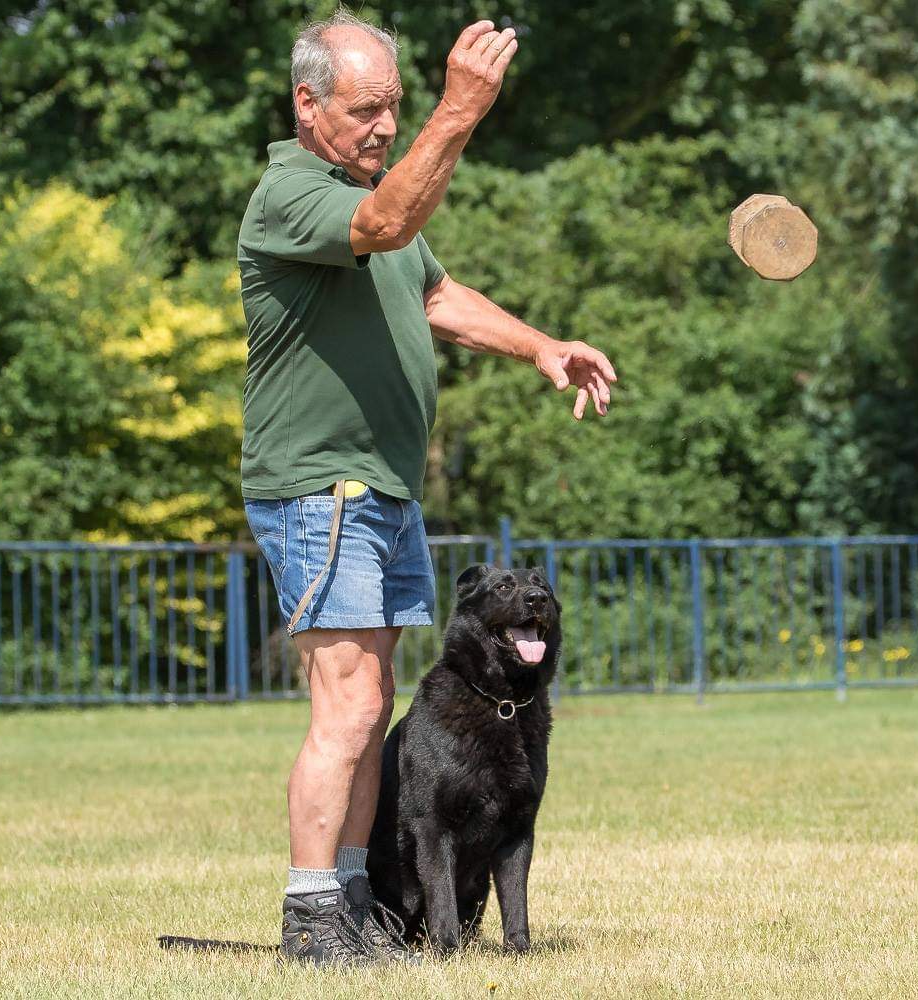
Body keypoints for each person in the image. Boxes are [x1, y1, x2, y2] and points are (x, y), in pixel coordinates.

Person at [236, 10, 616, 966]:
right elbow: (388, 223)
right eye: (365, 110)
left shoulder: (377, 191)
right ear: (306, 103)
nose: (384, 127)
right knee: (352, 707)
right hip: (323, 490)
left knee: (376, 698)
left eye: (395, 108)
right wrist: (460, 109)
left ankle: (357, 903)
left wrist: (541, 347)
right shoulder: (293, 193)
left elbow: (434, 293)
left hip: (382, 492)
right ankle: (311, 916)